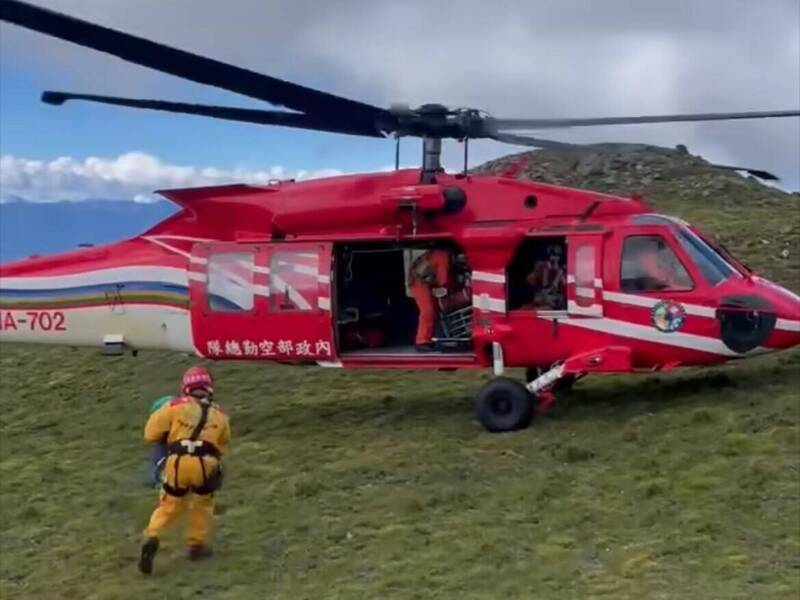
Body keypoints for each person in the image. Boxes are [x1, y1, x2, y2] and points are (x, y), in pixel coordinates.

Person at [138, 366, 231, 575]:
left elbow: (150, 434)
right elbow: (223, 444)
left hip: (177, 463)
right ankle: (197, 545)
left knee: (169, 504)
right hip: (205, 463)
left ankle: (152, 535)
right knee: (203, 503)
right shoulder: (220, 414)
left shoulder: (174, 407)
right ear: (209, 388)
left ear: (185, 387)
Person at [408, 248, 451, 350]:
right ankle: (422, 341)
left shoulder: (436, 253)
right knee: (428, 311)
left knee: (431, 311)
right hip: (421, 283)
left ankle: (428, 339)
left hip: (422, 282)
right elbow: (442, 280)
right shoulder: (443, 255)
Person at [525, 244, 566, 309]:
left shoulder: (563, 269)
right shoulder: (542, 266)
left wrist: (559, 272)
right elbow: (544, 286)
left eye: (557, 256)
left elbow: (565, 287)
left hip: (557, 303)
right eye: (552, 255)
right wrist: (546, 270)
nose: (554, 258)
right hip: (542, 301)